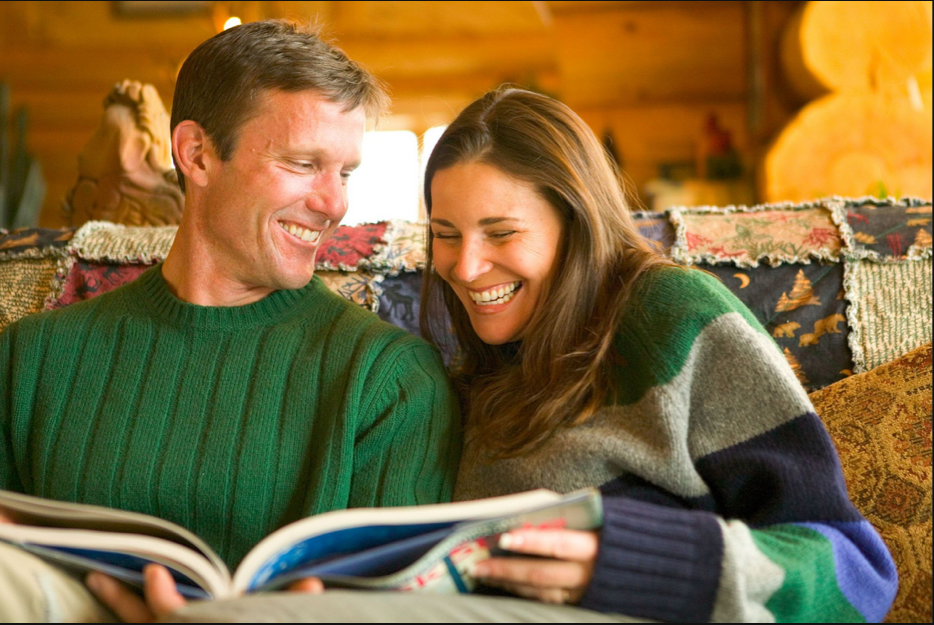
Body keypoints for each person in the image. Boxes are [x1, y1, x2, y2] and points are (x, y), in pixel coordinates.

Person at [0, 20, 461, 622]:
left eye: (344, 173)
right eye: (302, 163)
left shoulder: (390, 383)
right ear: (197, 155)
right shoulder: (29, 359)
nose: (335, 204)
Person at [417, 87, 898, 622]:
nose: (464, 268)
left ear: (575, 224)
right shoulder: (463, 374)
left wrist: (644, 565)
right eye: (446, 235)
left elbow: (853, 571)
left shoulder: (671, 317)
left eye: (501, 233)